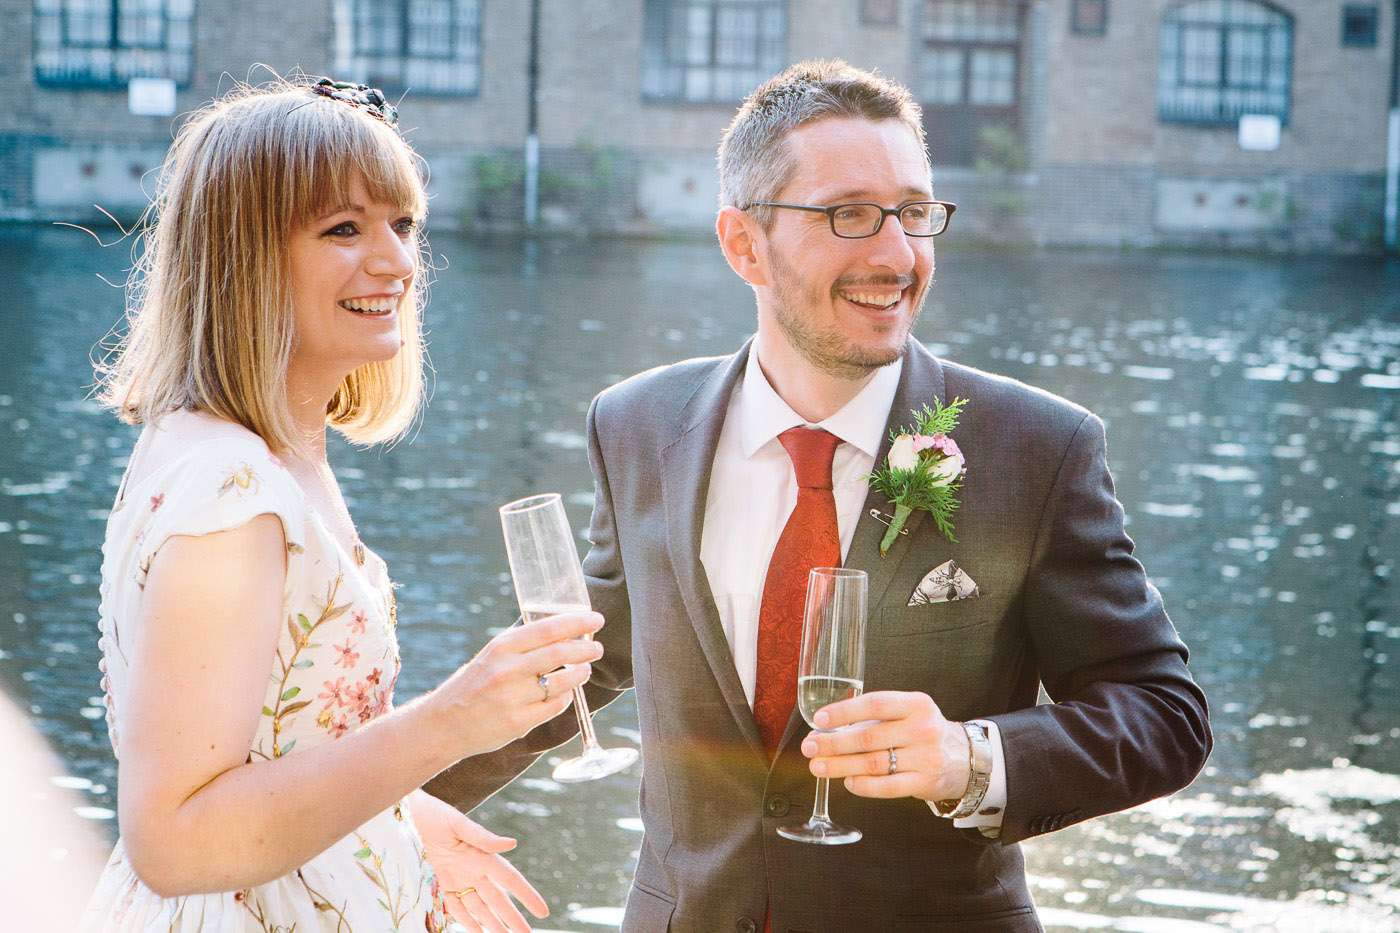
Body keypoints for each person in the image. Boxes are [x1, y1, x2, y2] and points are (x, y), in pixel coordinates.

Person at [426, 60, 1211, 931]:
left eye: (914, 212)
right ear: (744, 244)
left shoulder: (1039, 447)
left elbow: (1165, 716)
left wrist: (967, 756)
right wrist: (383, 800)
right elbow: (588, 653)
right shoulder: (636, 423)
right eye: (850, 215)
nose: (898, 255)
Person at [81, 78, 605, 932]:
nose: (399, 262)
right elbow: (173, 839)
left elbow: (274, 746)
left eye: (403, 224)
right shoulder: (233, 496)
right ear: (244, 256)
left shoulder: (260, 450)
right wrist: (450, 722)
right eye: (344, 229)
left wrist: (399, 814)